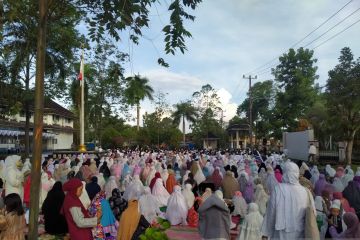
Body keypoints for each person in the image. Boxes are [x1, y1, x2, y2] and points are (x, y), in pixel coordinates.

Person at [261, 161, 317, 239]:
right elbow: (313, 213)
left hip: (280, 234)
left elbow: (271, 213)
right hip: (300, 233)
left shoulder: (277, 189)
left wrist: (265, 233)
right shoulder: (306, 191)